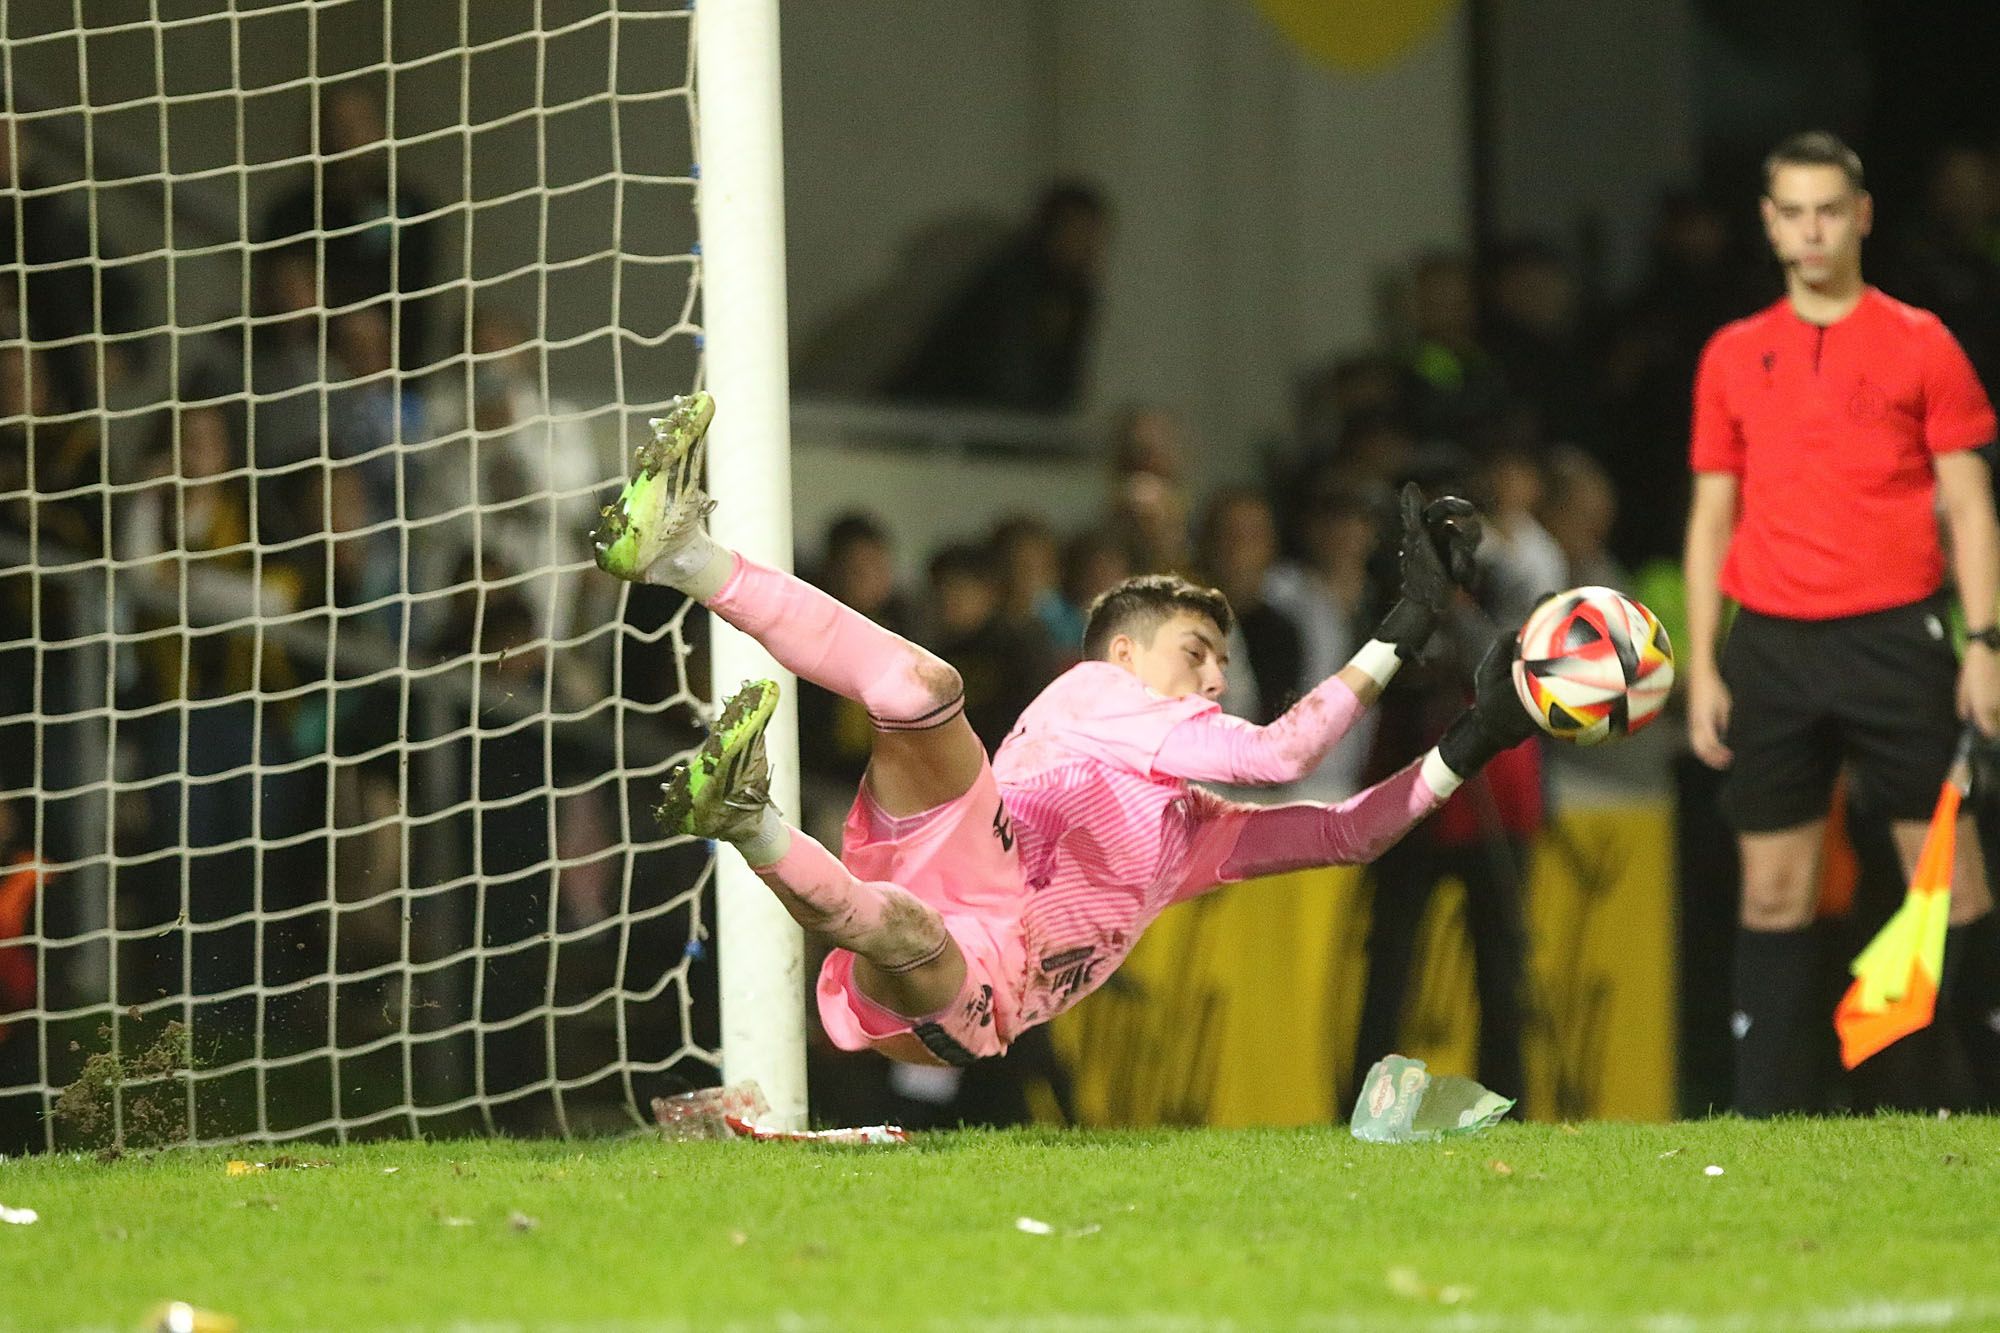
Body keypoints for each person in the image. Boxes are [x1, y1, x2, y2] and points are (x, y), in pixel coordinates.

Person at [592, 392, 1539, 1068]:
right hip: (977, 867)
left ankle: (746, 798)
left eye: (1221, 657)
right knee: (924, 684)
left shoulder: (1189, 828)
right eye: (1195, 650)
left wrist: (1480, 732)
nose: (1215, 676)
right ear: (1122, 655)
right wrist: (1401, 627)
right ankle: (688, 559)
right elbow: (1282, 752)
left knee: (918, 850)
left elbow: (1350, 832)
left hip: (986, 964)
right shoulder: (1098, 696)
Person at [1684, 131, 2000, 1115]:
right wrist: (1700, 662)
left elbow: (1970, 505)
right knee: (1771, 890)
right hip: (1769, 643)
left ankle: (1978, 1095)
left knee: (1947, 882)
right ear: (1769, 224)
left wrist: (1983, 642)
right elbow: (1707, 517)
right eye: (1793, 211)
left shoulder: (1920, 342)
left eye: (1829, 209)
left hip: (1896, 636)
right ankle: (1761, 1122)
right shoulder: (1733, 354)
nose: (1812, 229)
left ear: (1858, 215)